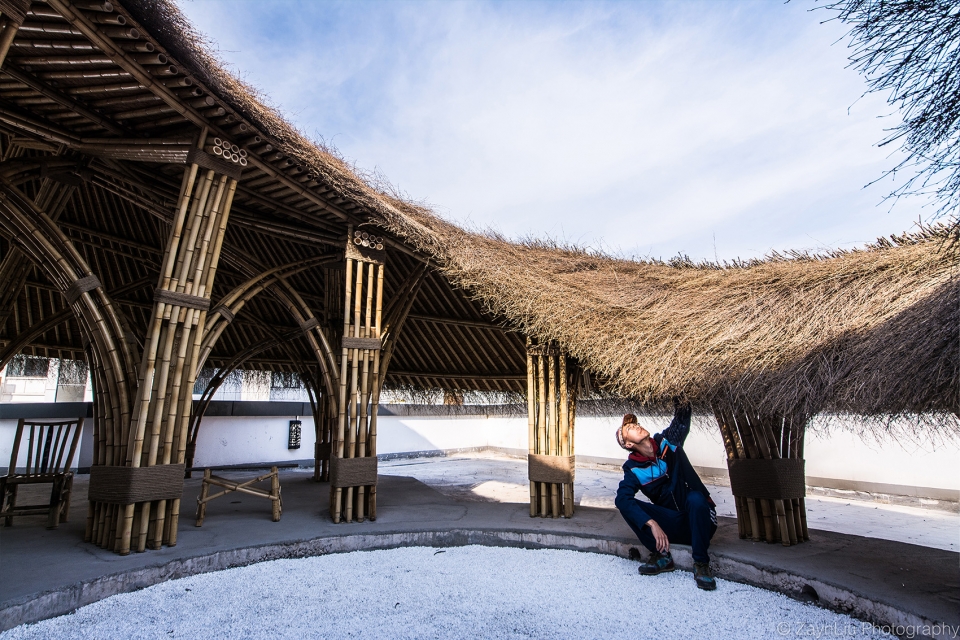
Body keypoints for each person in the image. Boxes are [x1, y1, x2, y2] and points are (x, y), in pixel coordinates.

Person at [614, 400, 718, 590]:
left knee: (695, 498)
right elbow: (622, 498)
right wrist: (652, 523)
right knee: (627, 504)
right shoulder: (634, 469)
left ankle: (701, 564)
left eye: (636, 423)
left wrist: (682, 393)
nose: (637, 426)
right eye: (630, 428)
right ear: (628, 443)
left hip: (702, 519)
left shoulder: (667, 442)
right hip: (675, 524)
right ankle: (662, 555)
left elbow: (681, 419)